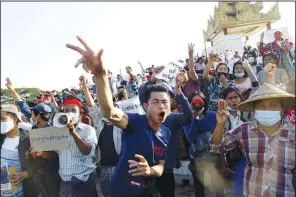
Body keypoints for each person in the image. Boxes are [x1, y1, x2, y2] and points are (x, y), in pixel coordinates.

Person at [66, 36, 171, 197]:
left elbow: (161, 166)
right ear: (145, 106)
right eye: (155, 101)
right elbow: (110, 112)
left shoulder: (166, 133)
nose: (161, 105)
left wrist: (150, 170)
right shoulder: (135, 122)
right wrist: (100, 76)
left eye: (165, 102)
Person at [211, 83, 295, 196]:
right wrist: (220, 124)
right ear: (255, 110)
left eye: (273, 106)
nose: (267, 110)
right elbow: (217, 146)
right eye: (261, 106)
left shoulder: (293, 132)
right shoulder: (244, 130)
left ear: (282, 110)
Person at [139, 73, 193, 197]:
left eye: (164, 99)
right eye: (155, 100)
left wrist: (179, 93)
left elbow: (189, 115)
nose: (160, 104)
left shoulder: (173, 119)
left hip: (165, 170)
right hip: (146, 169)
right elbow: (142, 96)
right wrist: (150, 81)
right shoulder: (145, 117)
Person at [5, 78, 60, 197]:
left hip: (51, 174)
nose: (30, 114)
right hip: (38, 173)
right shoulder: (35, 127)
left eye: (33, 112)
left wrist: (41, 153)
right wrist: (12, 90)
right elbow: (22, 105)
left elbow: (53, 155)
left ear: (38, 116)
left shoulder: (52, 132)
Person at [80, 75, 122, 197]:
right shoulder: (99, 121)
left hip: (121, 167)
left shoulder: (123, 123)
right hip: (104, 168)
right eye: (101, 105)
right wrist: (84, 86)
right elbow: (90, 104)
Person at [58, 95, 98, 197]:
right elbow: (54, 153)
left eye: (73, 110)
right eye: (66, 110)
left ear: (80, 114)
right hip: (65, 181)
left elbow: (86, 150)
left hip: (84, 181)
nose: (69, 113)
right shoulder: (58, 132)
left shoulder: (88, 130)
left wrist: (73, 132)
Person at [1, 104, 40, 197]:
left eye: (2, 118)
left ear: (14, 119)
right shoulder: (1, 139)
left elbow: (41, 161)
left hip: (24, 191)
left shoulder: (29, 139)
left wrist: (26, 174)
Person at [221, 87, 248, 197]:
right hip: (228, 156)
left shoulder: (248, 114)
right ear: (225, 100)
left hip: (245, 154)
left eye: (236, 97)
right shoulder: (221, 116)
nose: (233, 101)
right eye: (230, 98)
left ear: (240, 98)